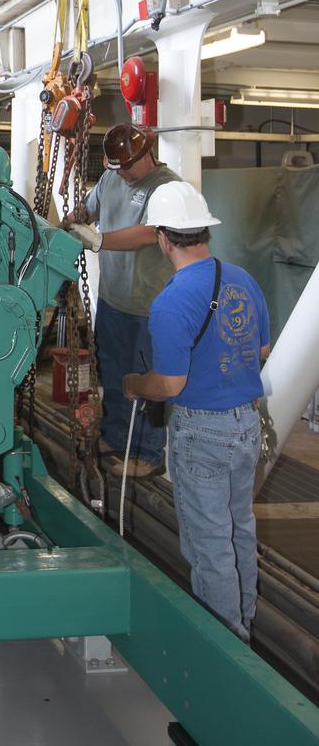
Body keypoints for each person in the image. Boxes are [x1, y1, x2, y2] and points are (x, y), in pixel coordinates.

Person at [122, 181, 270, 642]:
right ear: (204, 230)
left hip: (201, 433)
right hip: (247, 425)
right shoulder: (242, 279)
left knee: (209, 547)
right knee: (239, 529)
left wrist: (132, 386)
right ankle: (244, 620)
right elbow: (261, 347)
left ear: (163, 239)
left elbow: (169, 384)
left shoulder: (170, 301)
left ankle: (227, 649)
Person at [66, 123, 178, 477]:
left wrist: (99, 241)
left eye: (128, 166)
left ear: (146, 154)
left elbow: (149, 233)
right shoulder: (111, 179)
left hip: (149, 306)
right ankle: (116, 436)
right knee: (113, 373)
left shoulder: (167, 187)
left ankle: (148, 453)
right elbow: (89, 209)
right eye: (118, 168)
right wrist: (69, 224)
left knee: (145, 381)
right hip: (113, 299)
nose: (124, 174)